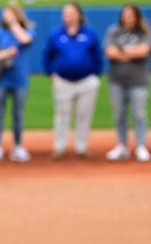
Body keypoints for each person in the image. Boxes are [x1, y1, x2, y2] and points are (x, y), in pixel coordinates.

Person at [44, 2, 105, 159]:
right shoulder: (57, 33)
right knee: (62, 114)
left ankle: (81, 147)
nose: (67, 16)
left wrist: (95, 75)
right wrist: (51, 73)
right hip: (63, 81)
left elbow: (98, 56)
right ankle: (59, 147)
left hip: (86, 81)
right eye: (65, 13)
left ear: (79, 15)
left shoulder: (89, 33)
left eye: (71, 12)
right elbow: (48, 55)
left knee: (84, 114)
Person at [0, 2, 36, 162]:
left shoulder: (26, 29)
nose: (6, 16)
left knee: (18, 114)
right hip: (1, 79)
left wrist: (14, 23)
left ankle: (18, 146)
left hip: (20, 80)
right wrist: (7, 53)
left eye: (10, 13)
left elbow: (25, 39)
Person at [104, 4, 151, 161]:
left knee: (139, 114)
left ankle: (141, 146)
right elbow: (110, 52)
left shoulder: (144, 31)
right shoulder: (114, 31)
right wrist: (132, 52)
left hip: (138, 80)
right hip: (117, 80)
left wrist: (122, 51)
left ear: (137, 16)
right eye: (125, 14)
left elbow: (143, 51)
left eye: (131, 15)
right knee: (119, 115)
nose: (128, 18)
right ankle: (122, 146)